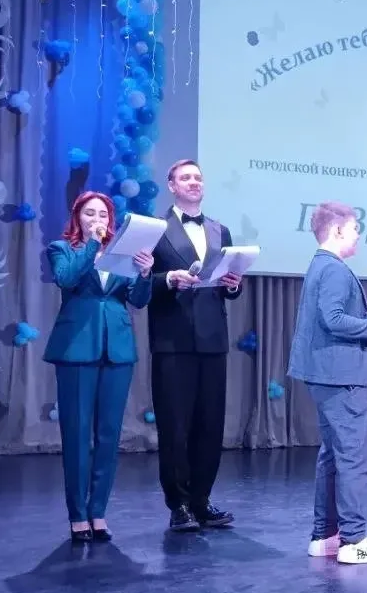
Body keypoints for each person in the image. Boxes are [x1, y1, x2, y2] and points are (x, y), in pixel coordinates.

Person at [287, 202, 367, 565]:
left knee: (335, 455)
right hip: (340, 374)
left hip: (326, 373)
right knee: (354, 455)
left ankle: (326, 535)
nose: (358, 236)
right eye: (355, 229)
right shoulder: (334, 269)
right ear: (337, 231)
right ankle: (354, 539)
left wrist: (365, 320)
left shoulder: (322, 265)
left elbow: (331, 317)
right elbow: (332, 319)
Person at [43, 191, 154, 543]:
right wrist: (92, 245)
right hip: (77, 347)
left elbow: (137, 300)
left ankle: (98, 511)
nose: (97, 220)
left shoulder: (122, 254)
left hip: (117, 349)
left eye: (103, 215)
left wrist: (145, 273)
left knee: (108, 434)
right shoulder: (62, 248)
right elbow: (66, 279)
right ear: (78, 216)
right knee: (77, 434)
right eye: (90, 214)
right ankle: (77, 514)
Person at [147, 159, 244, 533]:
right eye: (185, 178)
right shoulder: (155, 229)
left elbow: (227, 287)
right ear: (171, 185)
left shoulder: (221, 230)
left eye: (198, 177)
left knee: (210, 425)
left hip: (213, 340)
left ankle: (202, 501)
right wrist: (167, 280)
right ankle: (179, 505)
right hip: (173, 339)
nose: (193, 182)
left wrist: (233, 285)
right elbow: (140, 285)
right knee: (175, 426)